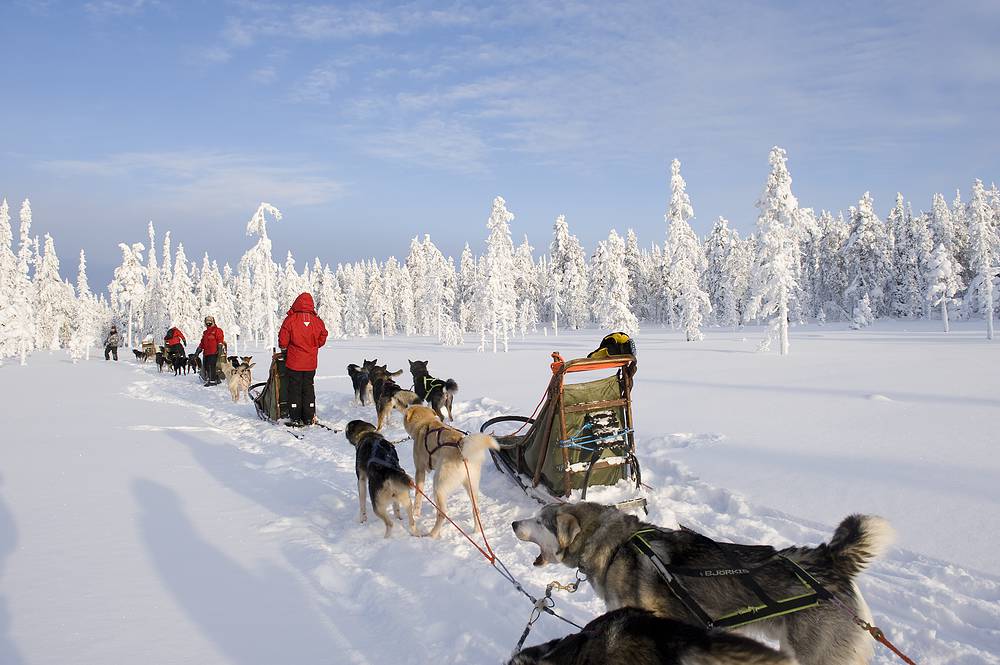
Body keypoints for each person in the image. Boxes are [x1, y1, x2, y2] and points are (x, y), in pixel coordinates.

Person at [278, 292, 328, 426]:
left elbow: (283, 339)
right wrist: (314, 345)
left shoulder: (291, 319)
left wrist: (284, 348)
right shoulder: (317, 321)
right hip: (310, 362)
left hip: (294, 362)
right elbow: (323, 336)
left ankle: (295, 416)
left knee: (294, 388)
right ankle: (308, 416)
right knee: (308, 387)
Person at [196, 316, 225, 387]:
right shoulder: (205, 332)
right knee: (206, 366)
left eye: (210, 321)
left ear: (213, 321)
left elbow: (220, 340)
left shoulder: (217, 330)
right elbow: (202, 343)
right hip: (206, 352)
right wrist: (197, 352)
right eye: (207, 321)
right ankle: (214, 379)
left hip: (214, 352)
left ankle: (212, 380)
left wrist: (219, 349)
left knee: (212, 366)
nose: (208, 322)